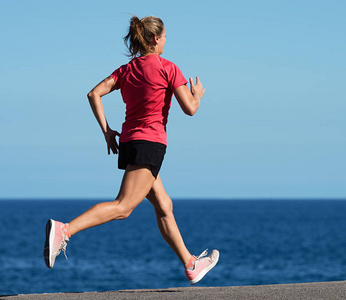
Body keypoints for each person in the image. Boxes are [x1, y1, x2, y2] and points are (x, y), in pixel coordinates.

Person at [43, 15, 219, 285]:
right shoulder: (168, 68)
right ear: (154, 39)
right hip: (149, 145)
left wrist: (106, 131)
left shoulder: (127, 70)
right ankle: (64, 230)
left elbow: (94, 94)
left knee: (164, 205)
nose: (165, 42)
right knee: (123, 207)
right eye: (164, 37)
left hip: (129, 143)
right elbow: (190, 109)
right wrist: (198, 94)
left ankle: (191, 264)